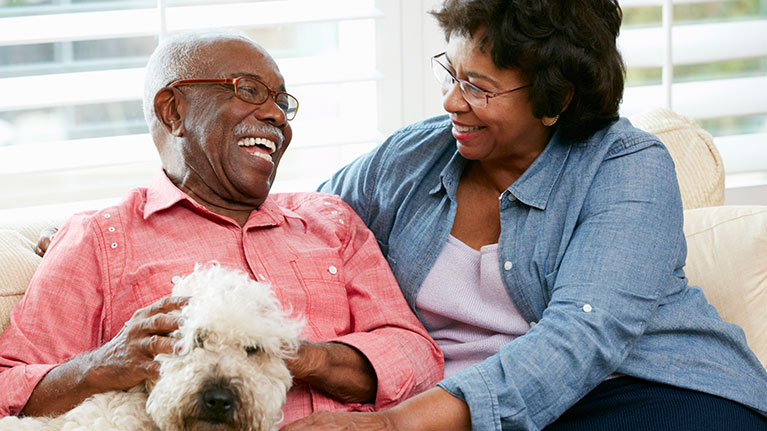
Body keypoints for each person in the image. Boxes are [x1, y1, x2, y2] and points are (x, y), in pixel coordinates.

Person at [282, 0, 767, 430]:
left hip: (643, 391)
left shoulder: (626, 166)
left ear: (555, 99)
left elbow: (581, 339)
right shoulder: (411, 157)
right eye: (450, 74)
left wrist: (392, 425)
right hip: (451, 410)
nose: (451, 102)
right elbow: (307, 232)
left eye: (476, 87)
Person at [0, 31, 443, 426]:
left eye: (282, 102)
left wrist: (293, 353)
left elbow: (419, 355)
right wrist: (101, 364)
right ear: (173, 111)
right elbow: (7, 388)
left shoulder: (330, 221)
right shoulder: (101, 238)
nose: (276, 115)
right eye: (248, 90)